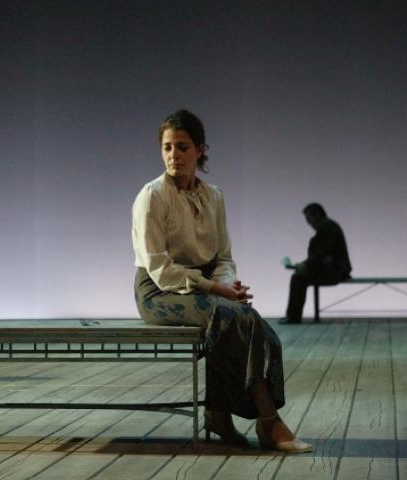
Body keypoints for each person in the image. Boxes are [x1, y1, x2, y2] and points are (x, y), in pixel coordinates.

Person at [132, 109, 312, 452]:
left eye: (182, 147)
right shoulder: (152, 196)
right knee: (231, 317)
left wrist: (226, 285)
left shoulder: (213, 196)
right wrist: (217, 290)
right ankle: (268, 421)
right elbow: (160, 269)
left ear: (200, 150)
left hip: (205, 291)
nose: (174, 155)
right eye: (167, 147)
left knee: (251, 323)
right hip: (158, 293)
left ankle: (219, 414)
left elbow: (223, 257)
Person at [282, 204, 352, 324]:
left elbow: (322, 252)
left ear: (317, 215)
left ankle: (293, 317)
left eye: (309, 219)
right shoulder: (328, 228)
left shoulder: (328, 228)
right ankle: (292, 316)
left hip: (335, 271)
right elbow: (320, 255)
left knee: (298, 278)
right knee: (299, 276)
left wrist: (305, 265)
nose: (308, 223)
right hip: (332, 269)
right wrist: (305, 264)